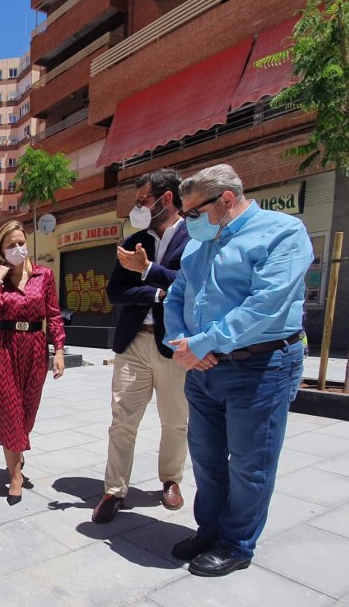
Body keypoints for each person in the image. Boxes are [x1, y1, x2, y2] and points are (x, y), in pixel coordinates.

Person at [163, 164, 313, 577]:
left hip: (261, 365)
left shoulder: (282, 232)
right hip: (202, 368)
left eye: (193, 212)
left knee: (250, 463)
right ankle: (209, 530)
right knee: (207, 459)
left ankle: (237, 543)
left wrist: (204, 342)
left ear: (226, 200)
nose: (187, 221)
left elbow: (267, 304)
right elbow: (175, 297)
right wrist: (181, 343)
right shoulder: (198, 243)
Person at [93, 169, 190, 524]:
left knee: (176, 421)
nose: (139, 207)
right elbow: (116, 292)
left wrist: (148, 271)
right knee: (122, 421)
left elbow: (191, 286)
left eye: (143, 201)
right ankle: (114, 489)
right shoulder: (136, 239)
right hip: (134, 342)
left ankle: (171, 480)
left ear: (166, 199)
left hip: (175, 345)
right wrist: (158, 293)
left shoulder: (195, 238)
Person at [0, 220, 66, 505]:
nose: (18, 248)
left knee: (27, 412)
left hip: (34, 347)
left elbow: (54, 314)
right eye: (11, 245)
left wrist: (58, 351)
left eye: (21, 243)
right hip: (4, 348)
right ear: (1, 250)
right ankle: (15, 476)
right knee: (9, 411)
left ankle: (16, 452)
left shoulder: (44, 276)